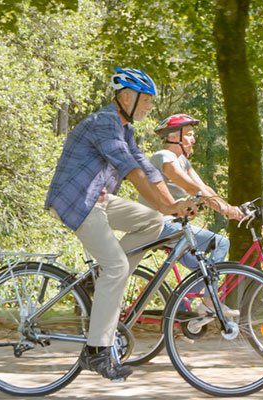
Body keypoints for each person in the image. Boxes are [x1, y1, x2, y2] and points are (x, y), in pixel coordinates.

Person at [44, 67, 197, 382]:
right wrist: (169, 204)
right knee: (117, 267)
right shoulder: (105, 123)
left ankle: (103, 277)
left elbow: (148, 169)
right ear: (127, 96)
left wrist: (173, 207)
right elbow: (131, 171)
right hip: (76, 200)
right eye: (147, 100)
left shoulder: (124, 130)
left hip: (96, 200)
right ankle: (96, 352)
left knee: (154, 221)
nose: (149, 108)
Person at [138, 113, 243, 330]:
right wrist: (224, 209)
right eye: (189, 134)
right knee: (221, 244)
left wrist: (231, 208)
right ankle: (207, 302)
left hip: (174, 226)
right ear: (175, 136)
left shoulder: (183, 160)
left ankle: (187, 304)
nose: (193, 139)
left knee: (205, 267)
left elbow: (204, 188)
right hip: (159, 223)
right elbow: (190, 187)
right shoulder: (164, 156)